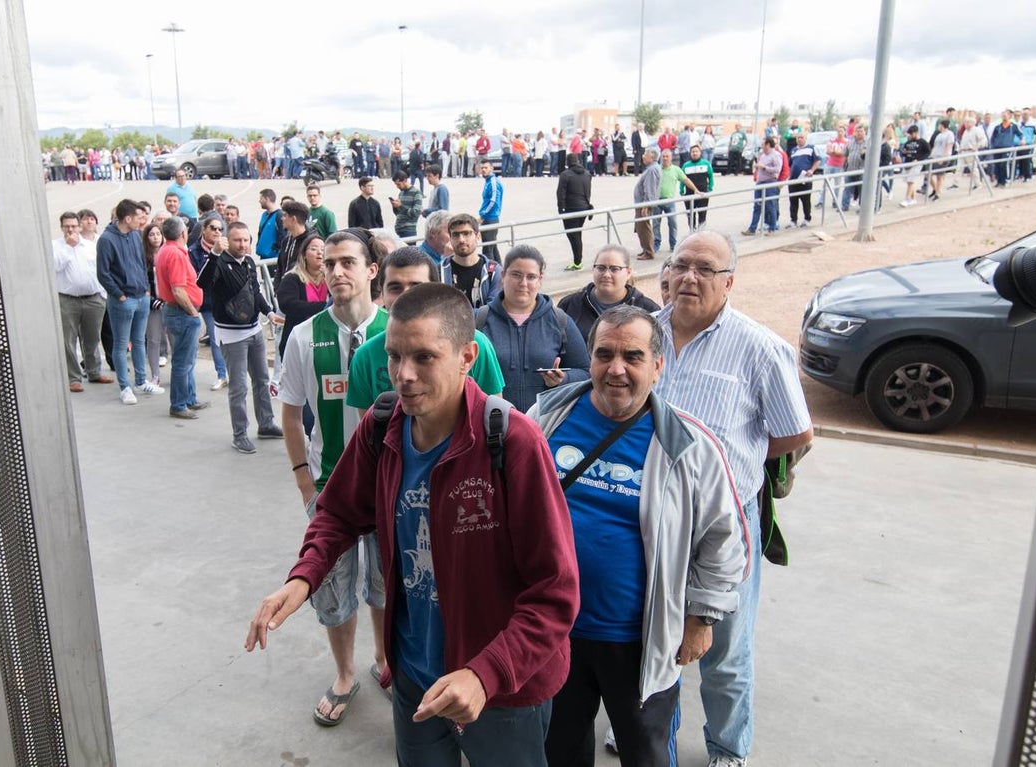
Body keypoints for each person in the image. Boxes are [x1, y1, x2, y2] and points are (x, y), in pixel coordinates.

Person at [246, 282, 580, 765]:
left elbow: (555, 592)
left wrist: (485, 674)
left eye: (424, 357)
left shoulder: (512, 441)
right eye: (394, 356)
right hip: (414, 676)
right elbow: (337, 512)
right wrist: (304, 577)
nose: (403, 375)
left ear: (467, 356)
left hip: (502, 691)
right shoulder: (382, 427)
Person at [531, 305, 747, 767]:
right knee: (559, 749)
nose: (616, 369)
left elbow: (723, 539)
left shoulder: (689, 444)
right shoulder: (545, 418)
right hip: (553, 629)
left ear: (657, 365)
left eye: (632, 355)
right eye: (604, 354)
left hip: (638, 639)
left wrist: (701, 618)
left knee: (645, 753)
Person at [653, 230, 813, 767]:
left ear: (729, 282)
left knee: (724, 650)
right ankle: (653, 730)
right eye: (682, 265)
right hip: (649, 517)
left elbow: (795, 435)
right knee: (653, 635)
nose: (690, 277)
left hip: (725, 524)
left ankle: (727, 748)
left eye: (706, 269)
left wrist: (736, 469)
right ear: (667, 272)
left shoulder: (760, 347)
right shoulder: (642, 335)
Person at [274, 228, 390, 728]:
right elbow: (292, 413)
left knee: (387, 585)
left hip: (388, 490)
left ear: (371, 271)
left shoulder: (397, 330)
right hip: (331, 491)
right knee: (333, 587)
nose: (336, 271)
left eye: (348, 262)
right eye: (329, 263)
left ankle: (385, 661)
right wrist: (305, 480)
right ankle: (344, 674)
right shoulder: (305, 335)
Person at [347, 246, 505, 413]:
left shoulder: (473, 344)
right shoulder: (365, 357)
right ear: (382, 294)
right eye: (395, 287)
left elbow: (494, 415)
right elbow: (371, 433)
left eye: (416, 286)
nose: (406, 295)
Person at [195, 221, 284, 452]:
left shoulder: (249, 262)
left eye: (246, 240)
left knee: (262, 380)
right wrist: (214, 254)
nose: (242, 244)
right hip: (232, 336)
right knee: (238, 387)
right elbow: (201, 283)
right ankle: (240, 434)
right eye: (237, 240)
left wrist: (269, 312)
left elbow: (255, 291)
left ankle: (266, 424)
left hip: (255, 331)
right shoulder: (220, 262)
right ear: (228, 240)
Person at [476, 245, 589, 413]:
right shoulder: (478, 320)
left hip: (544, 424)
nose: (523, 283)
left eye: (531, 277)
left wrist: (564, 379)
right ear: (503, 275)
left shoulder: (560, 321)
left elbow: (586, 372)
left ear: (540, 280)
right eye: (516, 275)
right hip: (490, 425)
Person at [96, 199, 162, 404]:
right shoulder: (107, 240)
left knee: (139, 341)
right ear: (127, 218)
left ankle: (141, 381)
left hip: (141, 296)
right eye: (137, 217)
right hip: (122, 300)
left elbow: (142, 263)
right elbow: (103, 273)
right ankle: (125, 387)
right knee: (121, 344)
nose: (141, 220)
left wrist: (146, 289)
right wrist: (119, 294)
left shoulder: (135, 235)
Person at [155, 216, 209, 419]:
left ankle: (188, 399)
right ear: (183, 233)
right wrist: (193, 312)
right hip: (181, 311)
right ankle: (179, 404)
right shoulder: (175, 254)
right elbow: (178, 290)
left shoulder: (166, 251)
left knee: (187, 359)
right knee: (182, 361)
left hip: (177, 310)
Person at [52, 211, 111, 393]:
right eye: (66, 226)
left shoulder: (90, 245)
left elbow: (100, 268)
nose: (70, 229)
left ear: (79, 226)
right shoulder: (56, 246)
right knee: (68, 340)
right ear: (62, 227)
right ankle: (74, 378)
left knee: (92, 337)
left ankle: (94, 371)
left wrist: (102, 294)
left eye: (73, 226)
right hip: (68, 300)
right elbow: (55, 266)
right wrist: (69, 248)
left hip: (93, 298)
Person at [557, 244, 661, 340]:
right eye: (601, 268)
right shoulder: (569, 305)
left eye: (614, 269)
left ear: (628, 272)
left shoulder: (648, 311)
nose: (606, 274)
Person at [189, 217, 231, 391]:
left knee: (228, 339)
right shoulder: (194, 252)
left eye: (220, 229)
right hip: (207, 302)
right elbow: (199, 279)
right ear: (203, 230)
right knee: (215, 338)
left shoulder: (226, 249)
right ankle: (222, 374)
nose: (217, 232)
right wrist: (214, 254)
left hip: (226, 300)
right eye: (213, 228)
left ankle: (230, 373)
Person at [275, 234, 328, 361]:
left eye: (323, 249)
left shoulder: (331, 277)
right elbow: (288, 304)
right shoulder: (293, 277)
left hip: (325, 339)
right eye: (314, 249)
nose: (319, 253)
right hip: (299, 340)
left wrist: (329, 276)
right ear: (304, 254)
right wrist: (324, 306)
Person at [440, 213, 502, 308]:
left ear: (478, 236)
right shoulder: (439, 272)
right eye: (456, 235)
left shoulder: (493, 271)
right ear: (450, 239)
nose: (461, 239)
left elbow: (492, 311)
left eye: (466, 233)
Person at [655, 150, 699, 253]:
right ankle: (656, 244)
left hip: (670, 200)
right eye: (663, 156)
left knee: (673, 223)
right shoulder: (656, 169)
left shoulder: (676, 170)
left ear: (671, 158)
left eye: (667, 156)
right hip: (656, 201)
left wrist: (695, 189)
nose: (665, 158)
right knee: (656, 223)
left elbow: (685, 180)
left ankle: (673, 244)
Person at [142, 222, 168, 386]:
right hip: (153, 304)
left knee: (174, 339)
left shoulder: (168, 253)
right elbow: (142, 282)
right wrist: (152, 300)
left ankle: (179, 374)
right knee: (153, 340)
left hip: (170, 303)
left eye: (158, 234)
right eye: (152, 234)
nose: (156, 237)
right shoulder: (143, 257)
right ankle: (155, 375)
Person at [557, 153, 593, 270]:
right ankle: (578, 260)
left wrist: (561, 209)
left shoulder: (565, 175)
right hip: (584, 207)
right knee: (577, 234)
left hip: (571, 209)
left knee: (573, 236)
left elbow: (560, 193)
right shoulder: (587, 174)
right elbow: (588, 191)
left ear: (567, 162)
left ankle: (578, 262)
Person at [741, 138, 783, 235]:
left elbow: (777, 169)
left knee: (770, 206)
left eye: (763, 144)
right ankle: (752, 229)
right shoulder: (763, 155)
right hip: (760, 182)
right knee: (757, 206)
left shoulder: (776, 155)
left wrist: (764, 167)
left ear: (768, 145)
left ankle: (772, 228)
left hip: (770, 182)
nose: (762, 147)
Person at [786, 133, 821, 228]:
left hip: (805, 179)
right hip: (793, 180)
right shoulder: (794, 150)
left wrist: (812, 170)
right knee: (793, 201)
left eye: (801, 137)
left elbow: (817, 160)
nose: (799, 139)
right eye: (798, 138)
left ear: (805, 138)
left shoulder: (811, 148)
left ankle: (807, 219)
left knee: (805, 200)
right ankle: (793, 220)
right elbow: (790, 164)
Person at [633, 147, 662, 261]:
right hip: (641, 203)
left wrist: (647, 204)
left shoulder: (652, 170)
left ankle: (649, 252)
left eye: (645, 154)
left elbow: (650, 188)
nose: (643, 156)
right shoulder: (651, 168)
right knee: (641, 228)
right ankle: (646, 249)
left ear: (652, 157)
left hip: (643, 204)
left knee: (644, 227)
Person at [682, 143, 715, 230]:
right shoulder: (686, 165)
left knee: (702, 215)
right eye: (693, 152)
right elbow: (682, 179)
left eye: (696, 151)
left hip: (703, 193)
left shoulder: (706, 163)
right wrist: (681, 190)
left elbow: (711, 176)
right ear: (690, 153)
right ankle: (692, 232)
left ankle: (702, 233)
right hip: (689, 194)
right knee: (690, 215)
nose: (695, 153)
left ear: (700, 153)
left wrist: (710, 187)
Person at [899, 125, 931, 207]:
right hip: (908, 162)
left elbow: (928, 152)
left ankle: (907, 199)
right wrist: (904, 153)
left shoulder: (923, 142)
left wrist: (919, 159)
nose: (910, 135)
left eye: (911, 134)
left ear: (916, 133)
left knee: (910, 181)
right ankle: (912, 199)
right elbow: (903, 151)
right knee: (908, 181)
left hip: (917, 163)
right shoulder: (908, 142)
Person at [478, 160, 503, 261]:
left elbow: (493, 201)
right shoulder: (489, 181)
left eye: (486, 168)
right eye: (482, 168)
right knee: (492, 247)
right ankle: (499, 271)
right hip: (489, 218)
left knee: (488, 249)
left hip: (490, 218)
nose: (483, 170)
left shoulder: (493, 182)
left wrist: (483, 215)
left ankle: (490, 273)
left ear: (491, 169)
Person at [391, 170, 423, 240]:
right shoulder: (401, 193)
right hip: (399, 230)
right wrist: (395, 207)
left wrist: (400, 206)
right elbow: (399, 214)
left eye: (398, 184)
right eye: (396, 184)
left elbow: (416, 212)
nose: (397, 186)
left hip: (409, 230)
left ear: (405, 180)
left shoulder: (416, 192)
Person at [257, 189, 282, 261]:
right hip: (263, 255)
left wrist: (274, 249)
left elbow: (282, 235)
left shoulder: (279, 215)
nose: (259, 201)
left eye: (261, 198)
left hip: (273, 257)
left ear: (267, 199)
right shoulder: (264, 215)